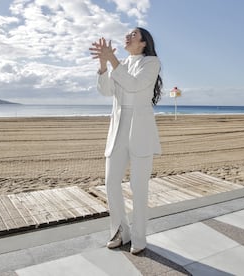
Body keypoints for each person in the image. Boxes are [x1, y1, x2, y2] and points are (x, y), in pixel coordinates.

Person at [89, 27, 162, 254]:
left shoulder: (151, 63)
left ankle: (139, 237)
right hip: (118, 128)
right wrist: (103, 65)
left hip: (140, 128)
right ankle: (121, 231)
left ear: (143, 43)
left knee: (138, 186)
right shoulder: (119, 64)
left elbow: (133, 85)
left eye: (133, 34)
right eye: (127, 34)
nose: (127, 36)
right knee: (111, 183)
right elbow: (106, 90)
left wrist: (112, 60)